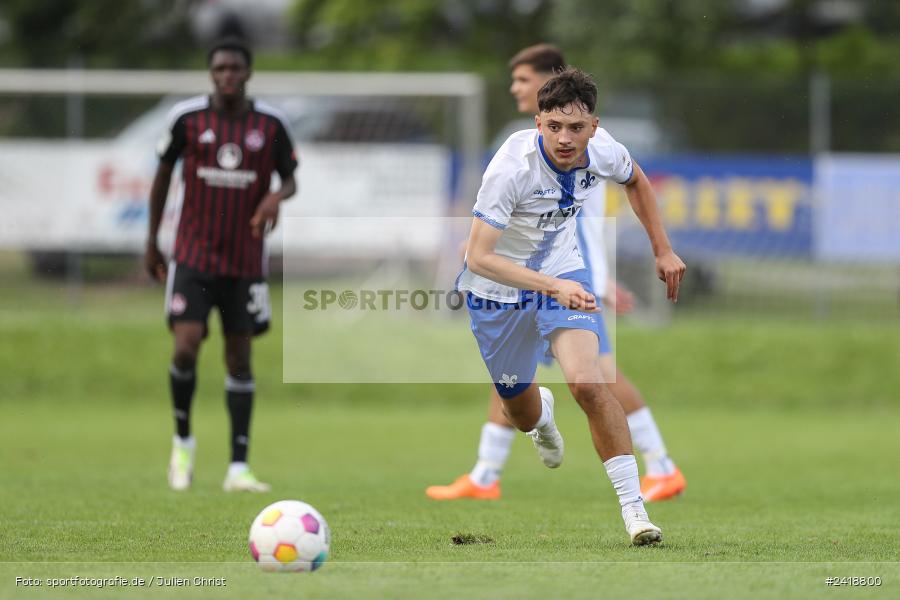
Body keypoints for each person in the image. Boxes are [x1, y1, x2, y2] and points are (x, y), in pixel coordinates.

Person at [427, 44, 686, 504]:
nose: (516, 89)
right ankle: (489, 471)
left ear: (590, 123)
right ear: (541, 121)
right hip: (509, 285)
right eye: (554, 124)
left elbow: (621, 196)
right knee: (516, 390)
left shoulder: (596, 149)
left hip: (569, 277)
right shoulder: (512, 165)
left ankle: (657, 471)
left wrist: (632, 263)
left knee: (593, 379)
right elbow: (487, 250)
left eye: (523, 80)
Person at [145, 37, 298, 492]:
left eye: (235, 68)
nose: (227, 75)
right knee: (186, 346)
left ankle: (238, 468)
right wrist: (151, 242)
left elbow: (290, 178)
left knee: (240, 358)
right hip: (192, 256)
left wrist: (274, 196)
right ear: (211, 73)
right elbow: (160, 179)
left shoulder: (269, 124)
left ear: (247, 73)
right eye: (220, 68)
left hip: (245, 260)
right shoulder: (187, 121)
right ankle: (183, 442)